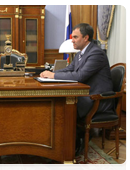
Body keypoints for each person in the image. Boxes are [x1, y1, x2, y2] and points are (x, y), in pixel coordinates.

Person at [40, 23, 114, 155]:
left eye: (75, 37)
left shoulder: (96, 53)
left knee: (63, 106)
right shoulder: (81, 53)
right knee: (58, 104)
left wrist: (54, 76)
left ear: (85, 38)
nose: (72, 40)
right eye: (72, 36)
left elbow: (80, 76)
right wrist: (50, 73)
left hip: (97, 98)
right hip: (86, 94)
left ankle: (70, 146)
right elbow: (70, 69)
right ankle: (57, 143)